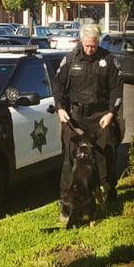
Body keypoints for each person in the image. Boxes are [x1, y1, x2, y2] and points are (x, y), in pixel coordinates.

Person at [53, 24, 123, 222]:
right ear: (81, 42)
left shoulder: (108, 60)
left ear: (97, 42)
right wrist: (60, 108)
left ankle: (106, 197)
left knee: (104, 158)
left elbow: (117, 90)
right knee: (70, 161)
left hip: (100, 118)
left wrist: (111, 113)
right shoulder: (71, 59)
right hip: (76, 118)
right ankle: (66, 206)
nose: (90, 49)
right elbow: (57, 85)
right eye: (87, 46)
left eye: (93, 46)